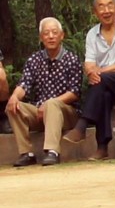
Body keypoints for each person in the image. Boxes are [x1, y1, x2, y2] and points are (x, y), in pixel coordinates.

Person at [63, 0, 115, 159]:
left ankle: (82, 126)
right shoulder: (92, 34)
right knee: (103, 93)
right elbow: (89, 64)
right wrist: (92, 72)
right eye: (101, 7)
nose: (106, 10)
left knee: (100, 81)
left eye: (110, 5)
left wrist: (101, 72)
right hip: (104, 83)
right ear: (95, 12)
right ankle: (102, 147)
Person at [7, 18, 83, 166]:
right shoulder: (34, 60)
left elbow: (74, 92)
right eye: (46, 33)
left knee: (52, 104)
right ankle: (26, 153)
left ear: (62, 35)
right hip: (40, 113)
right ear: (41, 38)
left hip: (66, 113)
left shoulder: (71, 59)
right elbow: (24, 84)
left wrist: (50, 104)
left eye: (55, 32)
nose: (51, 36)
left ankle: (52, 151)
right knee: (13, 106)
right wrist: (14, 96)